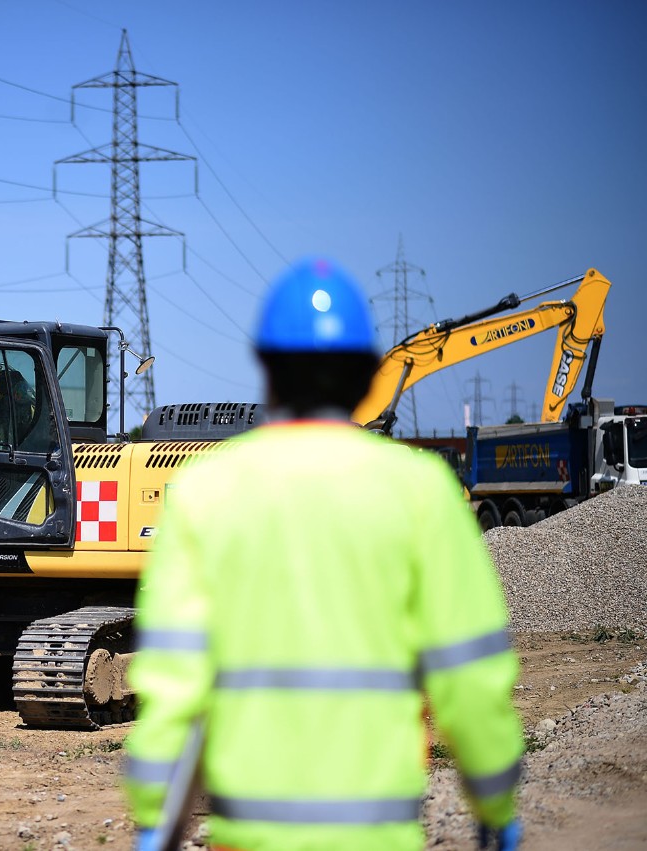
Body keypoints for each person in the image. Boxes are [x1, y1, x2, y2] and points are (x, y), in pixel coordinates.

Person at [123, 257, 524, 851]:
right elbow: (470, 678)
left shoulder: (207, 493)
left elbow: (173, 685)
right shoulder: (421, 492)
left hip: (250, 834)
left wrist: (155, 817)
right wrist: (496, 802)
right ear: (367, 375)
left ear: (267, 370)